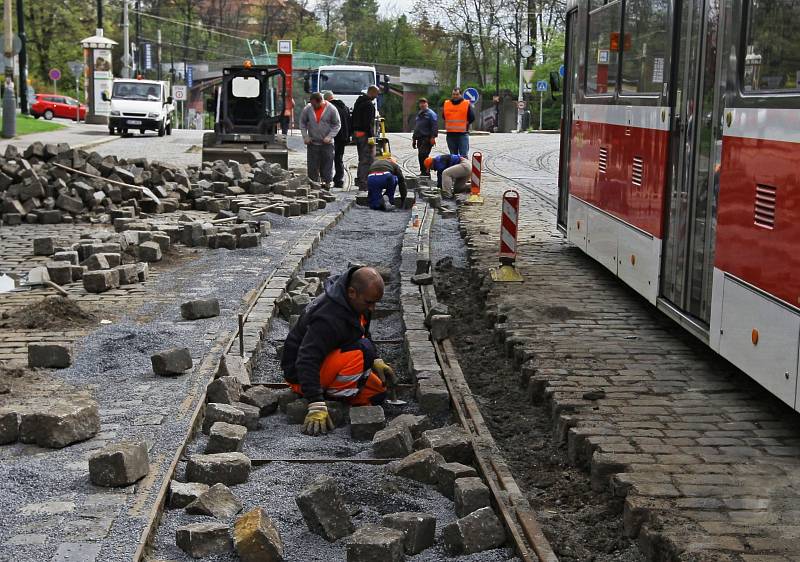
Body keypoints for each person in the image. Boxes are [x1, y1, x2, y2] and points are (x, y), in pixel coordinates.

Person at [282, 266, 396, 435]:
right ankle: (334, 399)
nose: (373, 308)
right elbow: (307, 358)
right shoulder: (328, 318)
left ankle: (342, 392)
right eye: (369, 302)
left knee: (378, 392)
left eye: (375, 302)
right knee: (362, 351)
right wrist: (316, 404)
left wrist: (376, 361)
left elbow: (362, 332)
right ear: (351, 292)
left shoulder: (357, 303)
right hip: (300, 375)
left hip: (328, 361)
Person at [299, 92, 341, 189]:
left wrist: (330, 136)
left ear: (321, 101)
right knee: (312, 165)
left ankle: (327, 183)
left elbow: (337, 125)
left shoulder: (331, 109)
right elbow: (302, 123)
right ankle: (313, 184)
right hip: (312, 143)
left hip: (327, 144)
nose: (313, 106)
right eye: (312, 104)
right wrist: (305, 136)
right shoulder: (308, 108)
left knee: (327, 163)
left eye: (315, 105)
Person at [351, 85, 380, 190]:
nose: (377, 96)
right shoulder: (369, 105)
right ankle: (364, 183)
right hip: (364, 135)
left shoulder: (358, 102)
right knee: (367, 159)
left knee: (361, 158)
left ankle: (359, 179)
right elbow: (369, 123)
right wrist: (371, 137)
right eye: (376, 94)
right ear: (372, 92)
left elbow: (353, 118)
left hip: (357, 134)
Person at [323, 91, 351, 189]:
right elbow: (349, 122)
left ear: (326, 99)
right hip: (343, 137)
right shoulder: (344, 107)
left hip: (333, 137)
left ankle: (327, 180)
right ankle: (339, 180)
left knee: (328, 158)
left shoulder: (329, 108)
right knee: (339, 159)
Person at [442, 88, 475, 157]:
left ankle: (464, 168)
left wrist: (466, 124)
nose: (455, 96)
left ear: (461, 95)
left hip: (462, 134)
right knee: (453, 156)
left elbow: (472, 117)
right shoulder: (446, 104)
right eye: (453, 94)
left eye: (457, 94)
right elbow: (444, 116)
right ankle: (456, 168)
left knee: (463, 156)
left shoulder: (466, 103)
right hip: (450, 135)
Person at [412, 98, 438, 177]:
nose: (422, 104)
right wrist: (414, 139)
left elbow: (434, 126)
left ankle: (426, 171)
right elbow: (417, 127)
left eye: (424, 103)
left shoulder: (431, 114)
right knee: (421, 155)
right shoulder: (420, 114)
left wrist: (433, 137)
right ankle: (423, 171)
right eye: (421, 103)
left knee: (423, 155)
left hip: (427, 138)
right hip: (419, 138)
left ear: (427, 104)